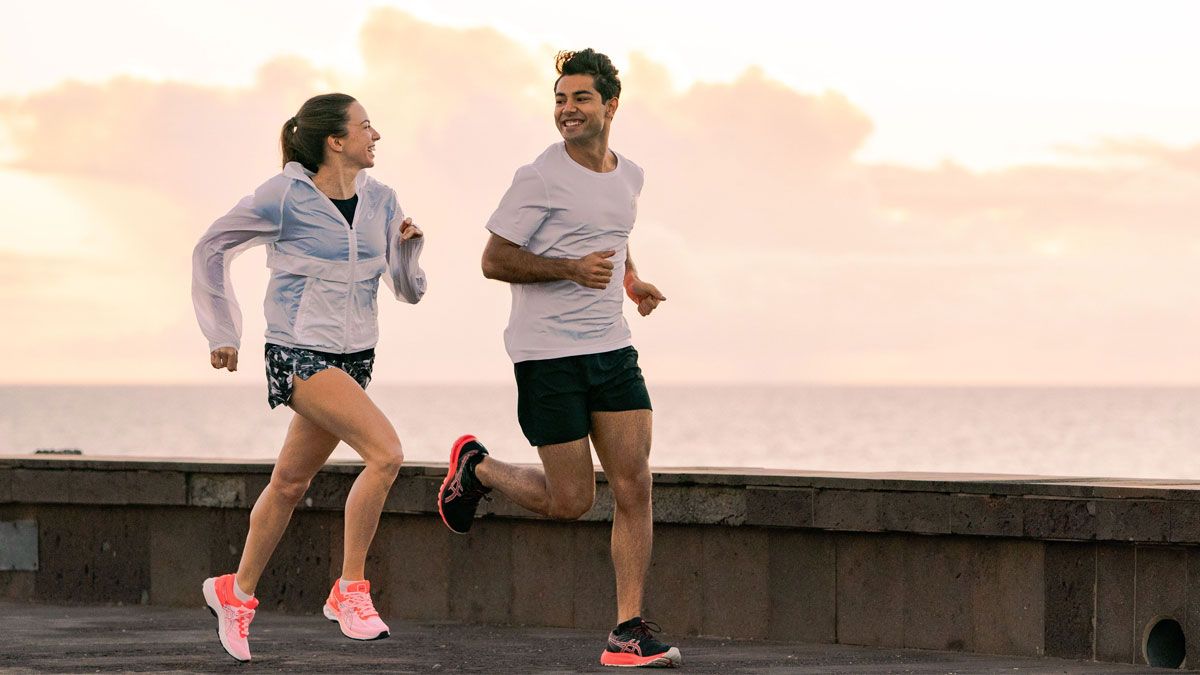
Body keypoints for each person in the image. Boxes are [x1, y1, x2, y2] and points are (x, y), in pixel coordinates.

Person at [437, 49, 679, 669]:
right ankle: (478, 467)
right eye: (560, 99)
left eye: (580, 99)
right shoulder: (539, 177)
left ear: (611, 105)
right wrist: (569, 270)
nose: (567, 110)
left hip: (612, 350)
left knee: (635, 485)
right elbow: (494, 260)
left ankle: (627, 630)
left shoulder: (631, 176)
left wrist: (632, 281)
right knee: (571, 500)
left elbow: (614, 235)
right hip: (548, 357)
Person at [191, 93, 426, 662]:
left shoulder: (382, 201)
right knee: (386, 454)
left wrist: (410, 252)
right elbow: (211, 247)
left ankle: (236, 591)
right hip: (298, 353)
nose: (377, 135)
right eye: (366, 126)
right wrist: (223, 330)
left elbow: (408, 291)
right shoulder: (286, 197)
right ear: (335, 140)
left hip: (355, 359)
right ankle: (350, 590)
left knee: (290, 483)